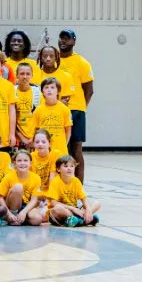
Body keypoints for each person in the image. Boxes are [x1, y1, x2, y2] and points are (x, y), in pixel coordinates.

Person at [56, 29, 95, 182]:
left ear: (74, 42)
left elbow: (89, 90)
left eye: (66, 38)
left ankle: (78, 187)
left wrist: (80, 108)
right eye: (61, 38)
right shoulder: (53, 59)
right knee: (59, 148)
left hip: (75, 110)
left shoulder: (82, 62)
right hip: (56, 109)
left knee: (76, 148)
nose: (63, 41)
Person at [46, 154, 101, 227]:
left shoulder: (76, 181)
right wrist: (73, 209)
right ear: (58, 169)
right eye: (66, 166)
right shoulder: (55, 182)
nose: (69, 168)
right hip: (64, 211)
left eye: (72, 166)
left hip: (75, 209)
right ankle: (83, 220)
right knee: (57, 208)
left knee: (97, 203)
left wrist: (88, 210)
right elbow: (54, 203)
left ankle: (80, 219)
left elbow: (83, 199)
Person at [0, 150, 44, 227]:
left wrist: (24, 212)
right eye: (19, 160)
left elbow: (34, 200)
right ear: (14, 163)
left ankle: (18, 219)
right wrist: (8, 213)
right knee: (18, 187)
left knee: (37, 219)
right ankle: (12, 216)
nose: (22, 163)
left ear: (30, 163)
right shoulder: (9, 176)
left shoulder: (36, 178)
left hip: (25, 205)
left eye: (25, 160)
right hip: (11, 205)